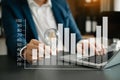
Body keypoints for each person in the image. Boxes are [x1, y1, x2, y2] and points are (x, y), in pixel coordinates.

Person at [2, 0, 105, 63]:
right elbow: (14, 38)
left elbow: (76, 37)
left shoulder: (60, 2)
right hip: (38, 64)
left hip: (66, 62)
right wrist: (25, 51)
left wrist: (83, 43)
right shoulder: (11, 4)